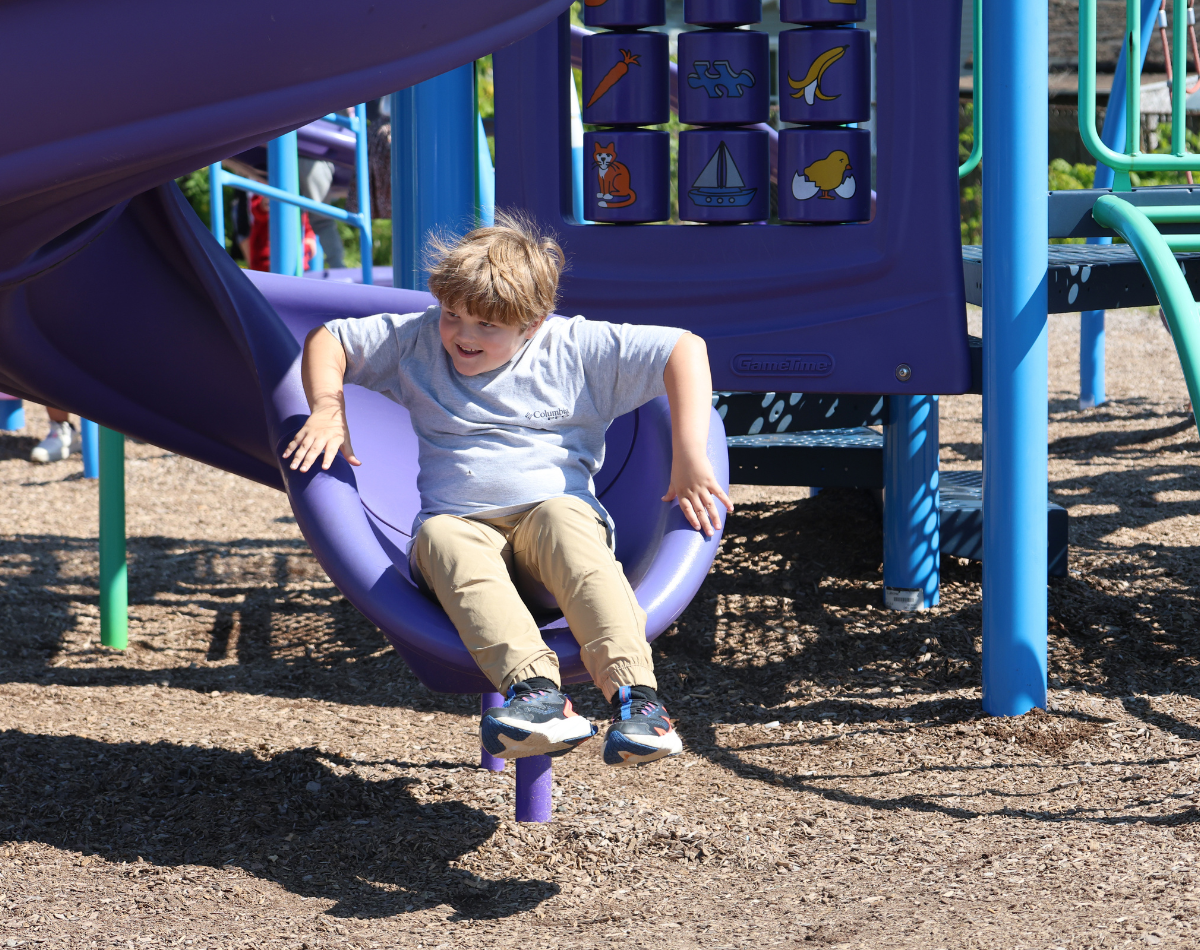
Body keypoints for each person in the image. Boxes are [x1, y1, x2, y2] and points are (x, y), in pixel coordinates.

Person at [282, 212, 731, 767]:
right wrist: (329, 408)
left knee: (565, 519)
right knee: (443, 535)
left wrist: (689, 457)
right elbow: (329, 339)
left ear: (533, 322)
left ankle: (639, 703)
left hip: (551, 533)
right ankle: (538, 697)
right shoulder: (420, 340)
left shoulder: (575, 347)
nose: (463, 336)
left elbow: (683, 349)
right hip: (460, 527)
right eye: (453, 316)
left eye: (486, 326)